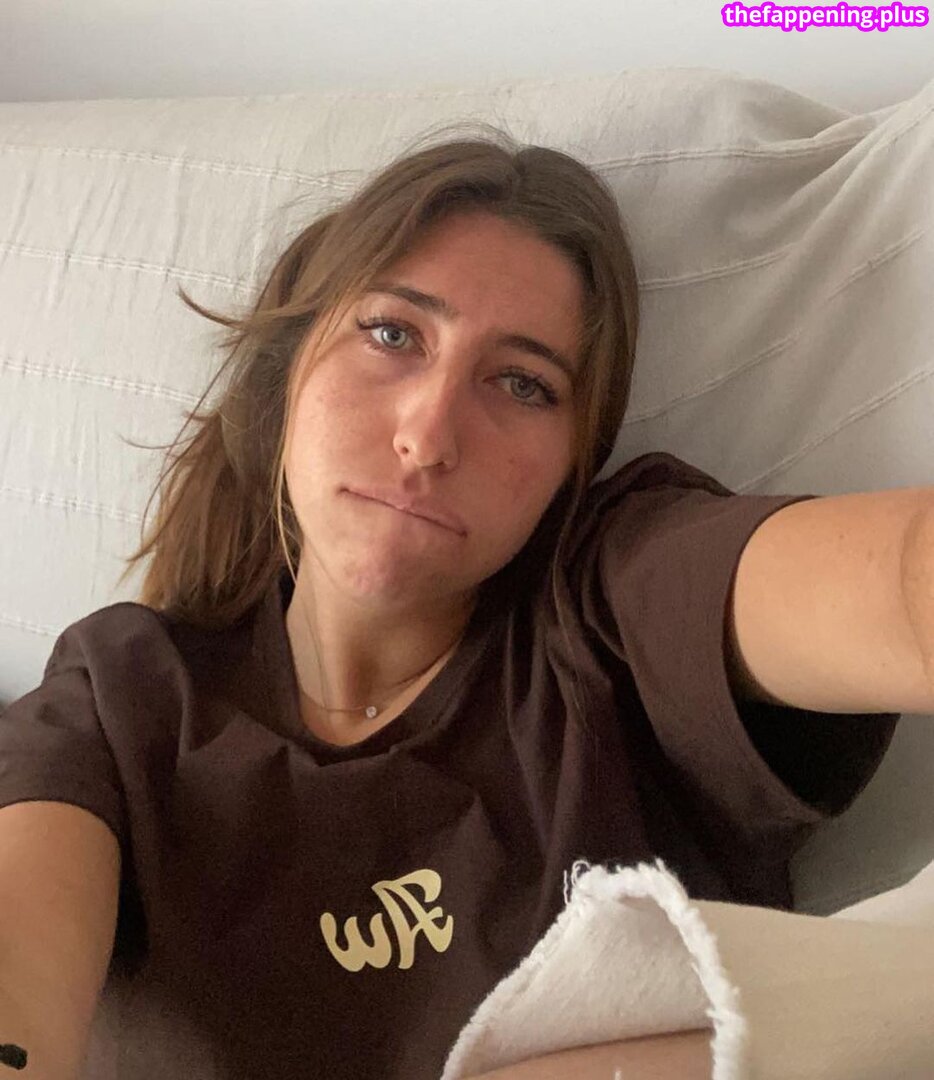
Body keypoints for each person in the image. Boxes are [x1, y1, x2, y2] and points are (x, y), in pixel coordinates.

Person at [0, 124, 903, 1079]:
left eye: (522, 384)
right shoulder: (124, 692)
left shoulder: (607, 614)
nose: (429, 438)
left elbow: (897, 587)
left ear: (571, 465)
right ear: (287, 369)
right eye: (393, 334)